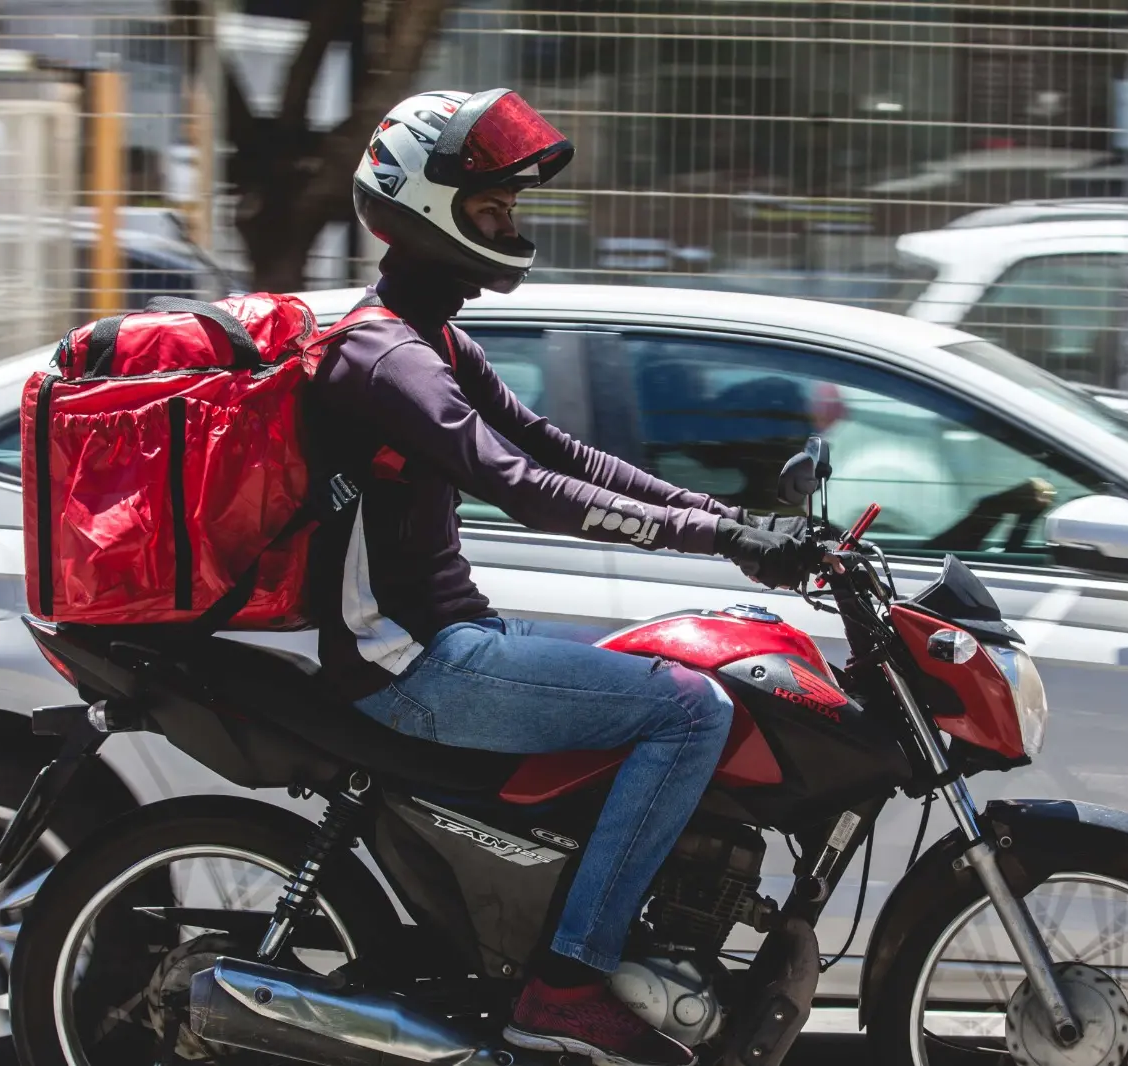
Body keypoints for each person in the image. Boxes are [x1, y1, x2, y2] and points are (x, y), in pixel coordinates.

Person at [308, 88, 814, 1066]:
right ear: (423, 211)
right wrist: (717, 539)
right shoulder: (385, 357)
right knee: (688, 710)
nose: (509, 227)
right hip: (411, 665)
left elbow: (564, 450)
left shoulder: (436, 343)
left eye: (508, 209)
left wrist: (733, 523)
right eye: (491, 209)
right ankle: (569, 984)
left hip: (450, 643)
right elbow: (525, 487)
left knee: (674, 676)